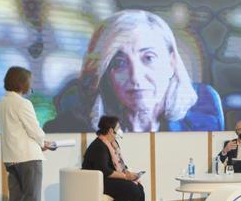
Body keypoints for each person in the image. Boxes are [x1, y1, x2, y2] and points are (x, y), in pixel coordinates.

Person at [45, 9, 225, 133]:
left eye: (148, 58)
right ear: (105, 73)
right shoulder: (71, 124)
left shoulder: (203, 111)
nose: (136, 77)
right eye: (120, 63)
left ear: (171, 63)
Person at [0, 66, 53, 201]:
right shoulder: (23, 104)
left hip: (10, 158)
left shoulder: (3, 102)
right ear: (23, 83)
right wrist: (44, 142)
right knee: (31, 199)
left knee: (16, 199)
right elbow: (34, 129)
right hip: (28, 158)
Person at [82, 115, 146, 201]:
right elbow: (105, 171)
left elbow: (120, 165)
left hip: (109, 178)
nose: (120, 129)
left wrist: (131, 174)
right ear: (111, 130)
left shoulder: (113, 143)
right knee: (131, 188)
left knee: (139, 187)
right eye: (119, 127)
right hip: (98, 181)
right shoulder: (99, 146)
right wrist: (126, 177)